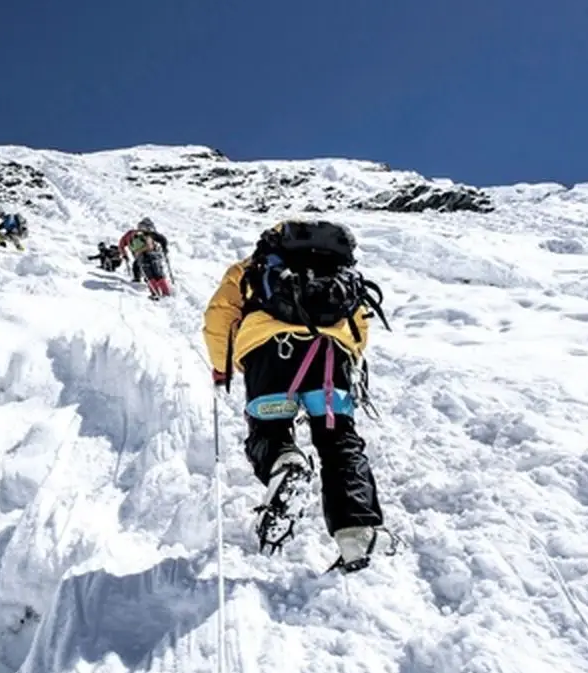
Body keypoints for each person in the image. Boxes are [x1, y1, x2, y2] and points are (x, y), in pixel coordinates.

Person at [201, 219, 393, 573]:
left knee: (269, 430)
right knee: (339, 441)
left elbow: (219, 317)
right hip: (331, 355)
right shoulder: (341, 272)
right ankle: (357, 532)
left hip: (269, 354)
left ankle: (284, 463)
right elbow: (359, 326)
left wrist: (222, 367)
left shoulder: (252, 268)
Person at [118, 217, 172, 298]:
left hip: (141, 257)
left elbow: (121, 244)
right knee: (159, 274)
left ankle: (154, 293)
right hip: (154, 254)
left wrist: (125, 255)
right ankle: (166, 293)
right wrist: (165, 249)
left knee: (149, 276)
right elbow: (162, 239)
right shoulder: (148, 232)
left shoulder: (130, 234)